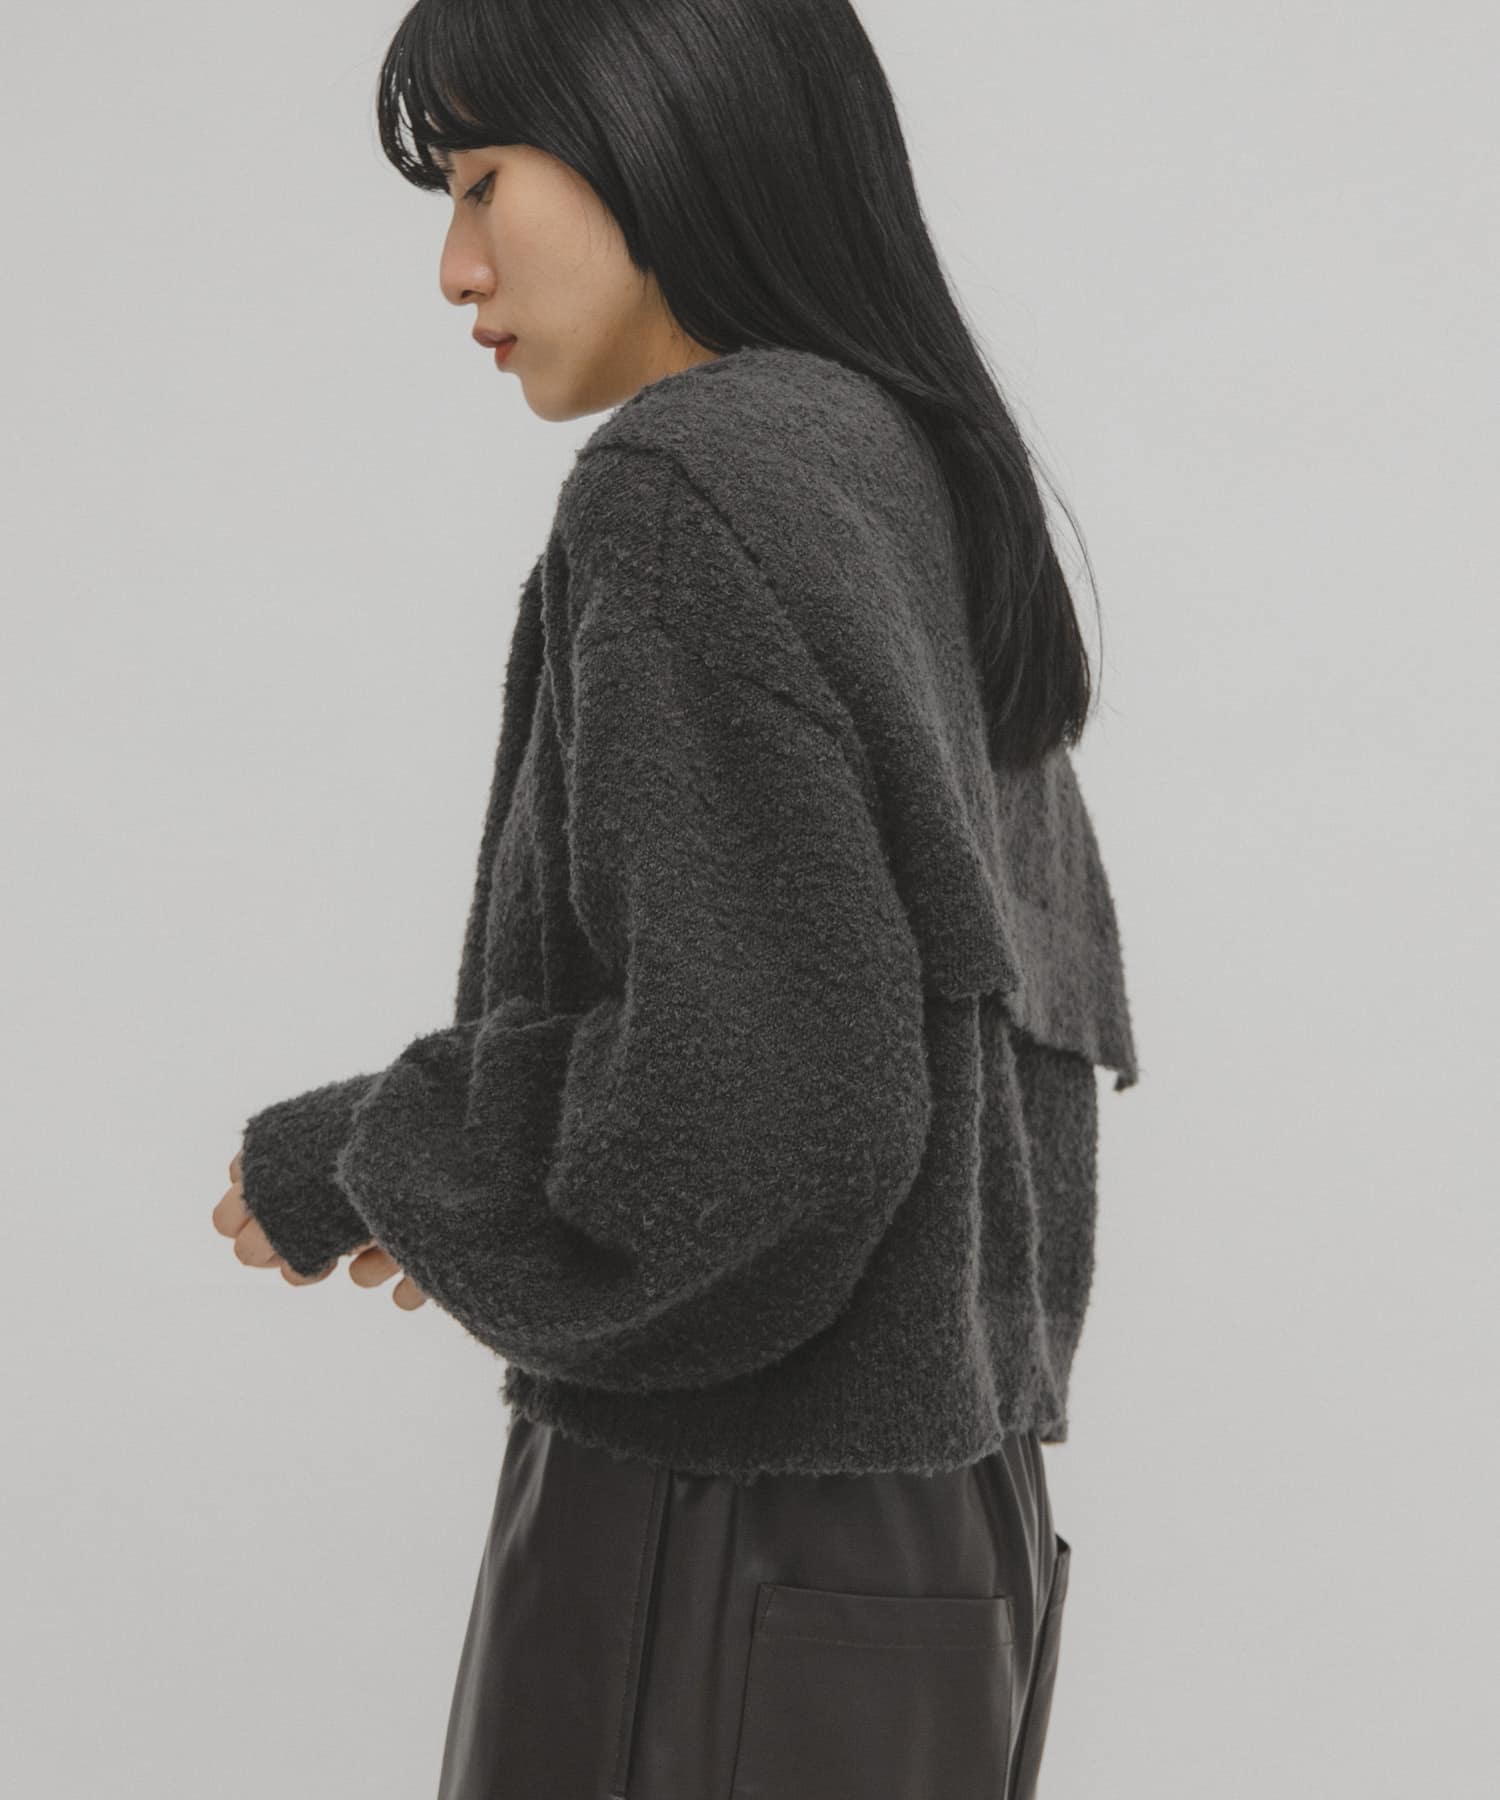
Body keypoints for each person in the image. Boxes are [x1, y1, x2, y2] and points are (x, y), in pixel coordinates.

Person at [212, 1, 1141, 1794]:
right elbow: (882, 1055)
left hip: (714, 1544)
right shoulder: (912, 472)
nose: (454, 265)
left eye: (484, 180)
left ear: (665, 132)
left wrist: (378, 1151)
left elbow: (755, 1119)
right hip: (941, 1545)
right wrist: (509, 1201)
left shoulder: (687, 485)